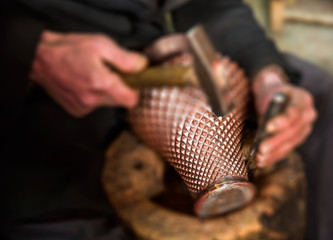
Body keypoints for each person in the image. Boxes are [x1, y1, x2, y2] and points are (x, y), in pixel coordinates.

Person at [0, 0, 330, 239]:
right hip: (37, 108)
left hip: (169, 63)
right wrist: (31, 50)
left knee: (323, 105)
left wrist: (270, 76)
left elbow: (214, 8)